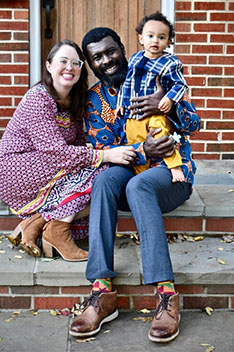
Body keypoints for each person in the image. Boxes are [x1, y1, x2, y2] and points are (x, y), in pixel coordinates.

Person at [69, 27, 200, 342]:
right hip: (131, 173)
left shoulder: (157, 78)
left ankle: (166, 294)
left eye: (111, 51)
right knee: (104, 181)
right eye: (97, 57)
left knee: (139, 187)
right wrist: (142, 150)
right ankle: (102, 292)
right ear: (90, 63)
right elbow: (106, 153)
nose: (107, 61)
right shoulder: (93, 101)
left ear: (124, 48)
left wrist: (166, 103)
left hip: (171, 175)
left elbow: (194, 124)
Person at [0, 39, 135, 262]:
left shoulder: (74, 100)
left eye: (76, 63)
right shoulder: (38, 98)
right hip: (14, 169)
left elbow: (76, 147)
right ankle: (56, 231)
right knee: (102, 171)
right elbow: (55, 152)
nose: (70, 67)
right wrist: (105, 154)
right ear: (49, 65)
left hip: (45, 168)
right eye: (63, 61)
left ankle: (38, 223)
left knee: (103, 181)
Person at [116, 12, 188, 182]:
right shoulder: (134, 59)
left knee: (161, 135)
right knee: (137, 143)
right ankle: (141, 177)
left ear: (169, 42)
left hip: (156, 113)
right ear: (141, 39)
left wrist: (169, 98)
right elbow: (126, 84)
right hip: (133, 115)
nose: (155, 41)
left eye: (161, 37)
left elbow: (180, 85)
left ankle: (174, 166)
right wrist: (120, 103)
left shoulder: (171, 62)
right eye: (150, 36)